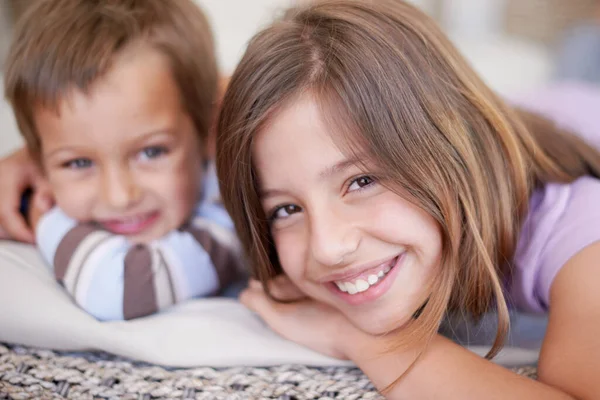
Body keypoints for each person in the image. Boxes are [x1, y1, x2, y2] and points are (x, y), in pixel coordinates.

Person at [215, 0, 600, 398]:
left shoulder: (580, 234)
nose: (328, 247)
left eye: (362, 181)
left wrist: (364, 339)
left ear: (450, 149)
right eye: (287, 209)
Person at [0, 0, 241, 321]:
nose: (120, 196)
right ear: (39, 165)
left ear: (207, 132)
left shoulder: (229, 215)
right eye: (78, 163)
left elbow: (118, 288)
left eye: (151, 152)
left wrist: (41, 215)